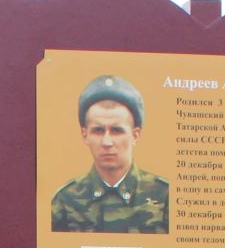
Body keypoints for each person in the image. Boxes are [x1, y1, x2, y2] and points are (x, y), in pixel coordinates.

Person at [50, 74, 170, 234]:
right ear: (85, 135)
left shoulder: (165, 197)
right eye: (98, 130)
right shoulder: (65, 201)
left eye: (116, 130)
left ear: (135, 135)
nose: (107, 142)